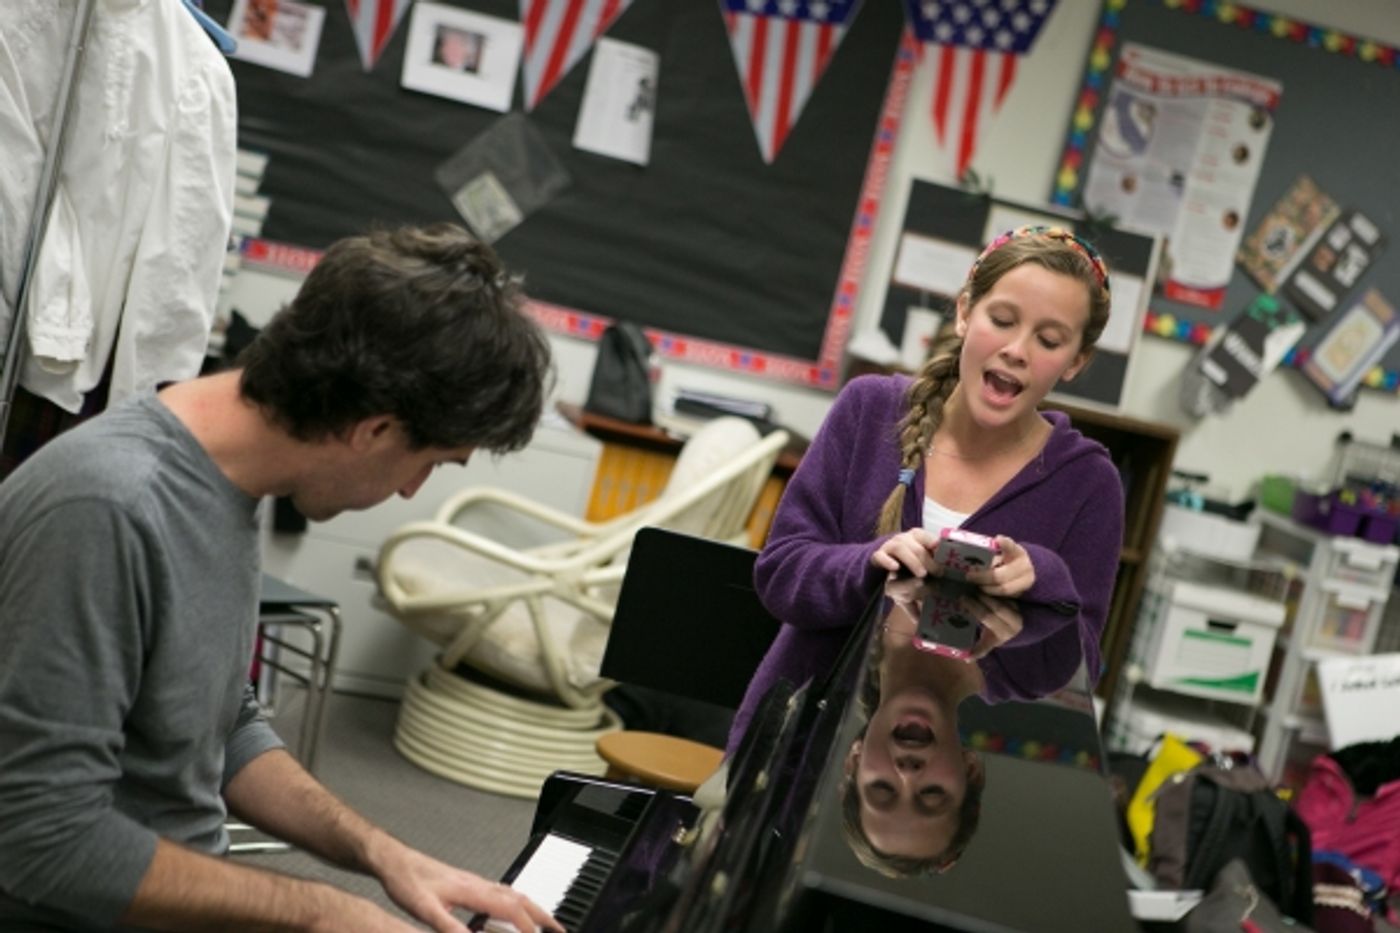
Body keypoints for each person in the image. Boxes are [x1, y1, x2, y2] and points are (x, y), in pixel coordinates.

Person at [0, 224, 562, 932]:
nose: (412, 489)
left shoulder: (234, 476)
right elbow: (40, 842)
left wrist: (384, 854)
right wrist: (324, 911)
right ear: (374, 430)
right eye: (431, 463)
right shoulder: (109, 507)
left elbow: (221, 723)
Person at [729, 225, 1124, 753]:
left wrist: (1042, 582)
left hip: (944, 770)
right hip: (793, 750)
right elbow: (780, 574)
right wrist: (869, 566)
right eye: (1001, 320)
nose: (1016, 350)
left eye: (1049, 341)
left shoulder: (1089, 484)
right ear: (964, 313)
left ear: (1075, 361)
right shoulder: (868, 410)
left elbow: (1074, 674)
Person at [842, 588, 986, 877]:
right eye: (932, 793)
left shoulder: (837, 622)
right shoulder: (1029, 667)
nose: (907, 773)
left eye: (882, 788)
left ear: (855, 761)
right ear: (970, 771)